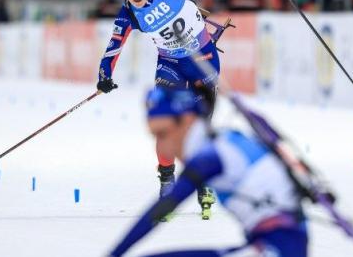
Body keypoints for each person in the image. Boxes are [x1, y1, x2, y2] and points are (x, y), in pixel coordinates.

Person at [96, 0, 245, 219]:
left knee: (199, 127)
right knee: (166, 127)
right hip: (170, 65)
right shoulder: (128, 15)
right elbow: (114, 47)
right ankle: (167, 182)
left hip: (203, 61)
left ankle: (203, 180)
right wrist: (104, 76)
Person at [107, 85, 308, 257]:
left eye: (163, 134)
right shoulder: (222, 140)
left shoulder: (212, 155)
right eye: (154, 136)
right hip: (274, 244)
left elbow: (165, 206)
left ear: (187, 120)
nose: (162, 146)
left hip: (278, 247)